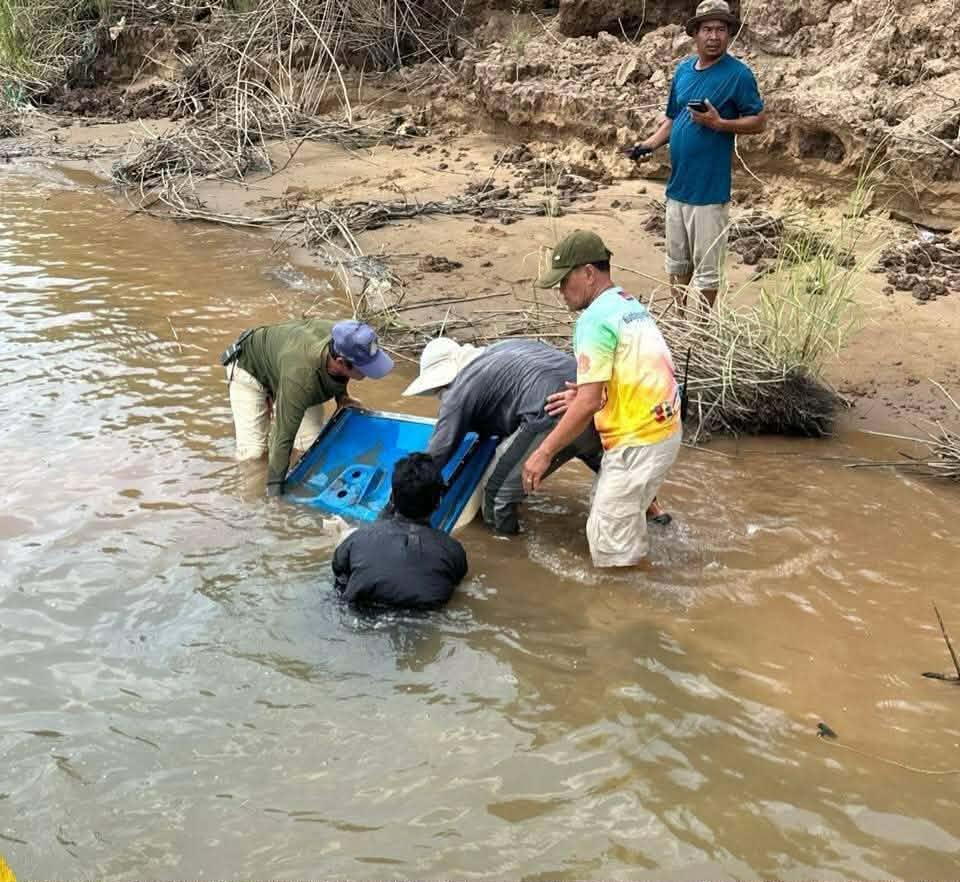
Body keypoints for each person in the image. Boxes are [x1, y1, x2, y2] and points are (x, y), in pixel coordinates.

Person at [523, 230, 682, 568]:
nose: (561, 293)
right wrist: (588, 391)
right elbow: (635, 368)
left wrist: (543, 452)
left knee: (610, 550)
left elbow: (588, 404)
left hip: (638, 440)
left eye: (564, 282)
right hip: (664, 429)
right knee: (609, 513)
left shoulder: (593, 321)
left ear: (589, 273)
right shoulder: (627, 304)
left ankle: (634, 607)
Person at [630, 0, 765, 310]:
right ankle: (679, 318)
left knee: (707, 270)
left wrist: (720, 123)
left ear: (729, 33)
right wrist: (647, 145)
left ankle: (701, 328)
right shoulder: (682, 71)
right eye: (707, 29)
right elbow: (673, 118)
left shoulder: (739, 75)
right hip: (677, 187)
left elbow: (759, 121)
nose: (714, 36)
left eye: (721, 29)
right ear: (695, 33)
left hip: (709, 192)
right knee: (677, 262)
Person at [402, 336, 606, 535]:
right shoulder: (500, 350)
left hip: (552, 412)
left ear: (444, 382)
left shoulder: (460, 389)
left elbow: (435, 455)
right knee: (612, 473)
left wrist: (400, 505)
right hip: (590, 400)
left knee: (496, 497)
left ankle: (511, 549)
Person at [220, 318, 393, 496]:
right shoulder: (302, 378)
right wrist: (274, 494)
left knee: (310, 447)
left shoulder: (345, 338)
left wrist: (342, 397)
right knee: (254, 455)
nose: (368, 372)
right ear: (341, 362)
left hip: (289, 369)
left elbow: (340, 375)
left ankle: (283, 404)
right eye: (364, 368)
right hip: (249, 369)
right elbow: (283, 437)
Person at [332, 453, 468, 609]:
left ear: (391, 499)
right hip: (422, 624)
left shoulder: (356, 540)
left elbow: (338, 573)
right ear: (438, 502)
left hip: (355, 616)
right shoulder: (453, 551)